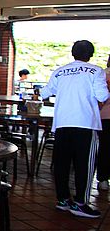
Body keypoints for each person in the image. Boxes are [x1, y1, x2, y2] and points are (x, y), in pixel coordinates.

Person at [40, 40, 110, 217]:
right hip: (85, 124)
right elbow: (102, 95)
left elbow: (44, 92)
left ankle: (63, 200)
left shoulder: (60, 71)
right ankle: (80, 202)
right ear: (91, 55)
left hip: (62, 123)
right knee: (84, 165)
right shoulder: (96, 71)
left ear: (73, 53)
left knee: (62, 163)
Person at [98, 55, 110, 191]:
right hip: (105, 117)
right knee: (105, 148)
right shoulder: (102, 75)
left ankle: (103, 178)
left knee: (105, 148)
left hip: (104, 117)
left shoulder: (102, 74)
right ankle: (103, 178)